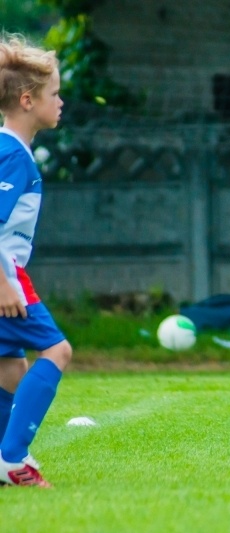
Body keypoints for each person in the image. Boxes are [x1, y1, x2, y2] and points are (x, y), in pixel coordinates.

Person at [0, 35, 72, 487]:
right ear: (28, 101)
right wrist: (4, 284)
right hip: (6, 274)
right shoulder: (11, 155)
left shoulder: (12, 151)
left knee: (10, 366)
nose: (61, 102)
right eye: (54, 95)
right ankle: (13, 459)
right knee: (58, 350)